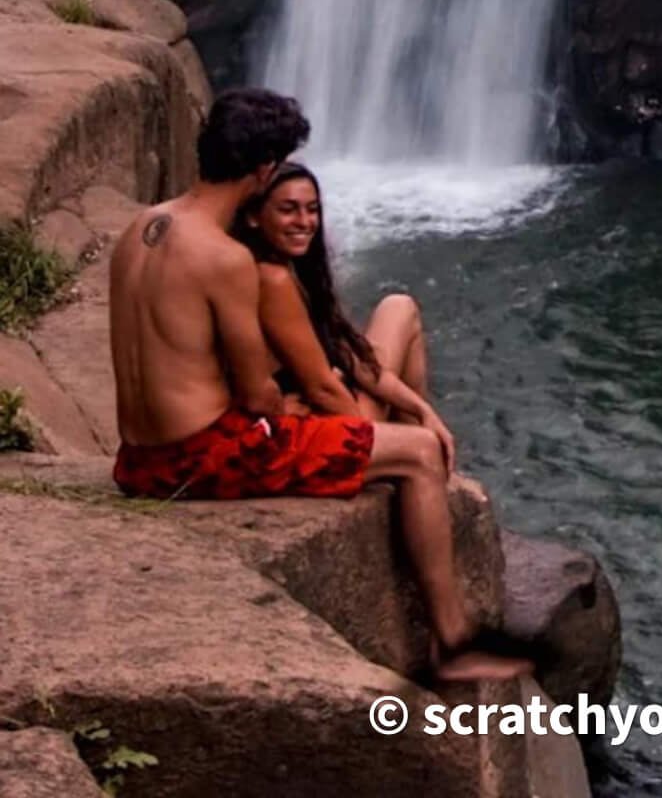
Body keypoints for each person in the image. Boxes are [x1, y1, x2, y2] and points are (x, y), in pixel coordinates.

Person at [108, 87, 528, 684]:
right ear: (263, 171)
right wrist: (299, 405)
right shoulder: (224, 258)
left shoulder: (140, 228)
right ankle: (453, 645)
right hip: (200, 461)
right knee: (417, 452)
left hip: (137, 461)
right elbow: (257, 397)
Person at [235, 162, 447, 453]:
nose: (304, 221)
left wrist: (423, 410)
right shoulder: (270, 279)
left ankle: (416, 445)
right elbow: (320, 389)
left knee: (399, 306)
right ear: (253, 216)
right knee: (401, 311)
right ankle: (415, 456)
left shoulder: (296, 271)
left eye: (312, 209)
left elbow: (351, 358)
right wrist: (370, 438)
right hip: (321, 424)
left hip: (329, 406)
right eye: (288, 209)